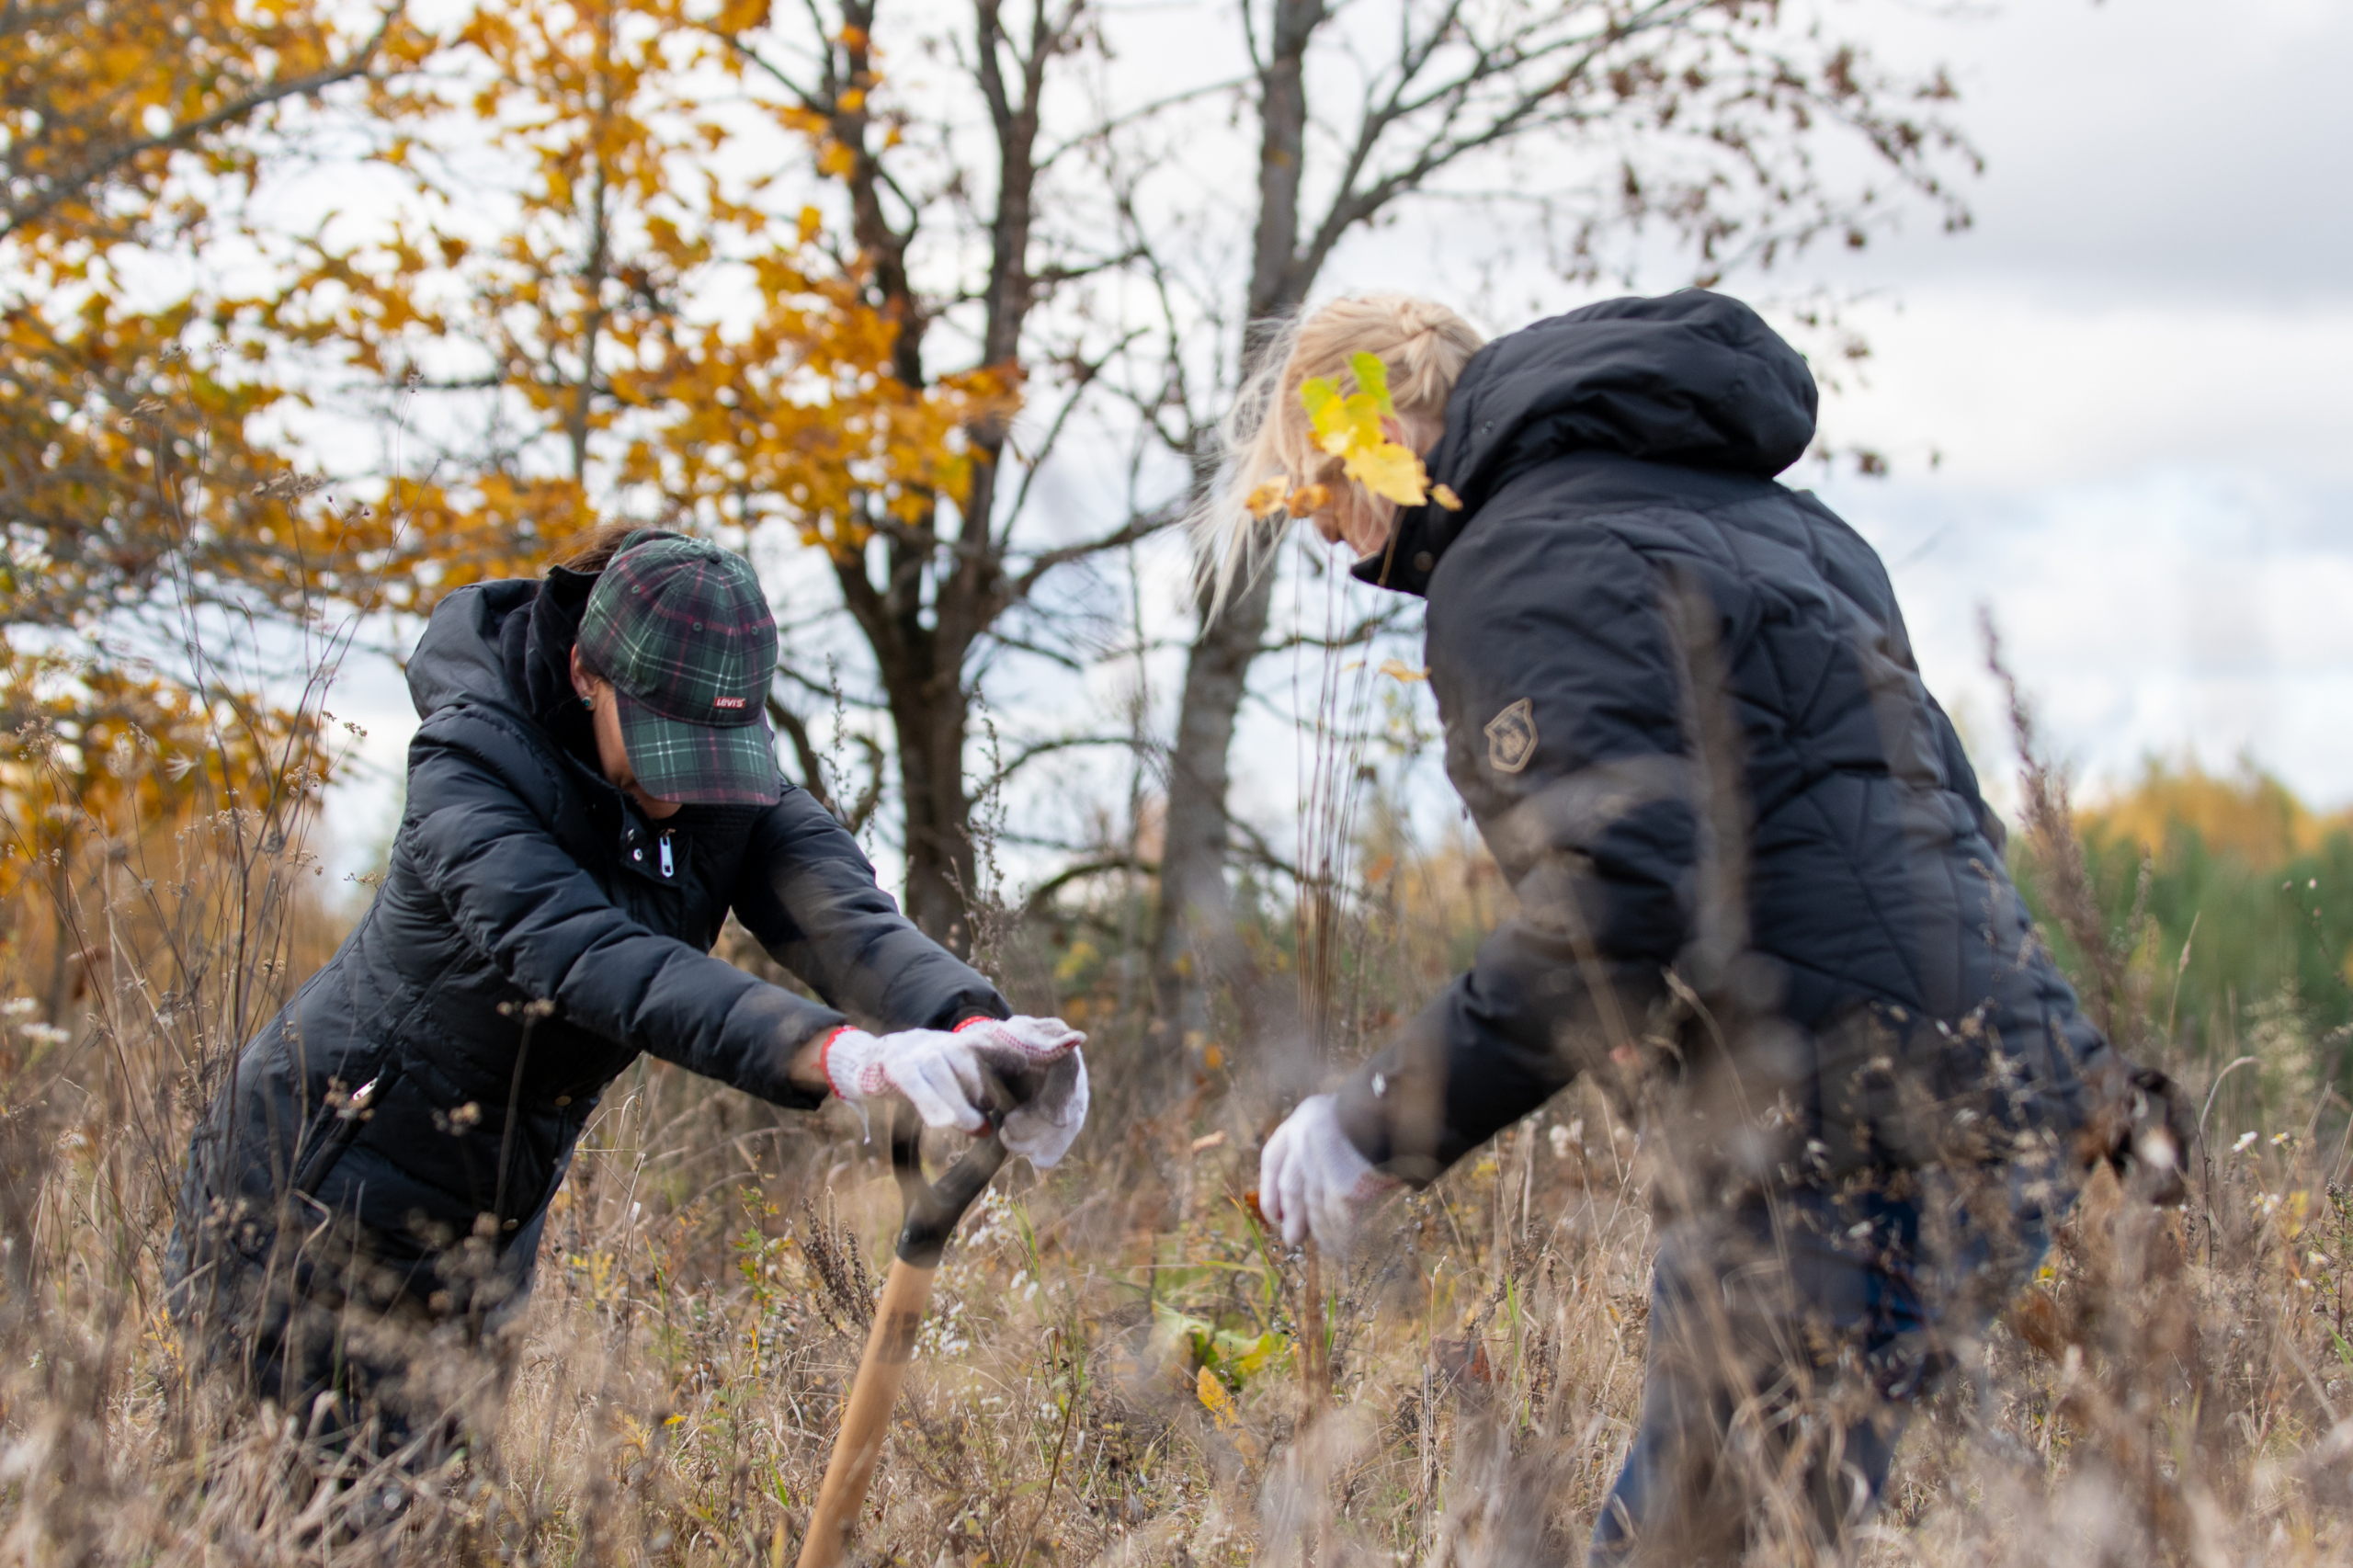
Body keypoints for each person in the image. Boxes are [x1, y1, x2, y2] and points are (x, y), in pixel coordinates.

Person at [1213, 292, 2184, 1562]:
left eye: (1319, 486)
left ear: (1378, 431)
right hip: (2001, 1088)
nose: (1335, 535)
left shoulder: (1520, 557)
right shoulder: (1785, 528)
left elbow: (1614, 897)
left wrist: (1376, 1117)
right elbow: (1933, 817)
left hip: (1841, 1125)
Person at [167, 526, 1087, 1467]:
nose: (680, 787)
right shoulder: (472, 765)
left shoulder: (730, 778)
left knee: (436, 1506)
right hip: (313, 1188)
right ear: (584, 672)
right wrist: (847, 1057)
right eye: (660, 746)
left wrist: (975, 1021)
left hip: (487, 1213)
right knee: (322, 1517)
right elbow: (595, 956)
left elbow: (839, 913)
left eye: (708, 753)